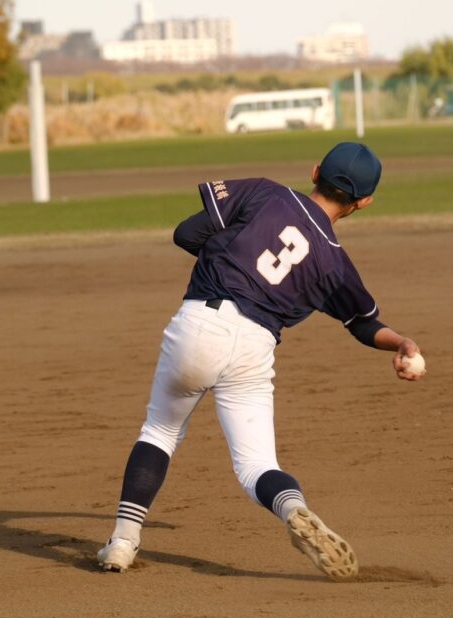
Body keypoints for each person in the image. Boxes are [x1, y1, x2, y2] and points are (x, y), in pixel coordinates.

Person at [96, 142, 425, 580]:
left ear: (314, 171)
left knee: (161, 430)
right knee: (257, 466)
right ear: (364, 202)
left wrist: (232, 258)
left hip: (201, 323)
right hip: (255, 347)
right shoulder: (334, 262)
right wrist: (402, 342)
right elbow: (364, 324)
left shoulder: (267, 193)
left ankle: (122, 543)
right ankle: (293, 509)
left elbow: (185, 233)